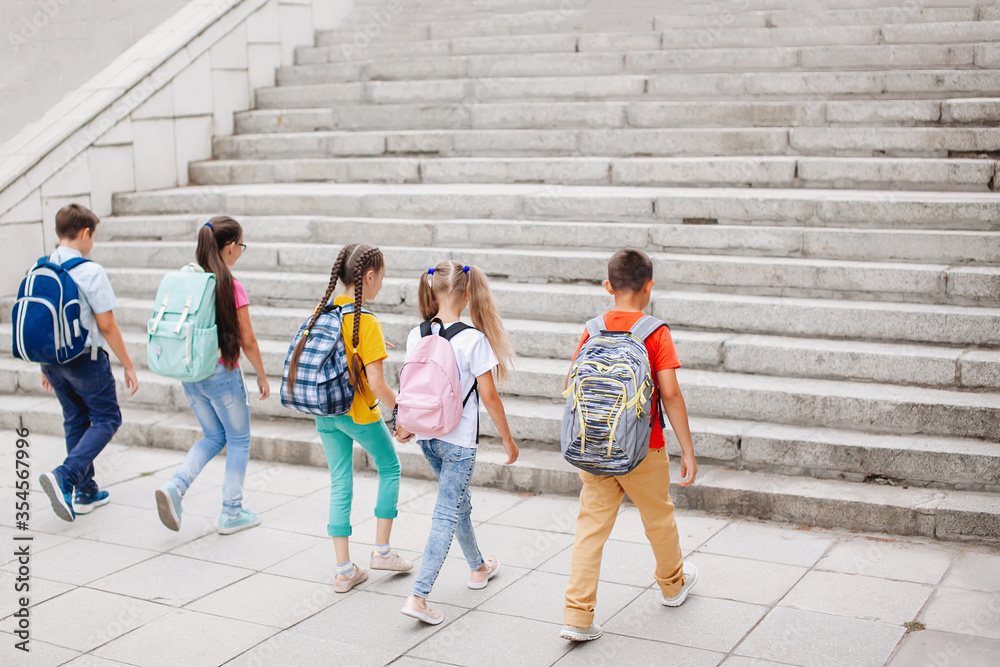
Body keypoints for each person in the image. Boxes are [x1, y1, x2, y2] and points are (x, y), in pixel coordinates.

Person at [560, 248, 699, 642]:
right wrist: (687, 449)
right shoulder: (655, 332)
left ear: (608, 286)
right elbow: (670, 393)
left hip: (594, 445)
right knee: (658, 518)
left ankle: (577, 615)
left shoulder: (593, 328)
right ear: (649, 286)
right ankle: (673, 585)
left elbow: (571, 383)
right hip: (645, 448)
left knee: (590, 529)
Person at [285, 243, 412, 594]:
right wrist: (403, 413)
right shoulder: (365, 322)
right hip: (357, 412)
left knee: (340, 480)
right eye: (381, 278)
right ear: (369, 277)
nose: (381, 285)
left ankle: (344, 570)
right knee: (389, 467)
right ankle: (382, 551)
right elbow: (377, 384)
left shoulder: (321, 310)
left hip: (323, 411)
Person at [400, 260, 519, 625]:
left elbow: (408, 385)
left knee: (458, 502)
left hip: (426, 436)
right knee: (446, 513)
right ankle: (419, 596)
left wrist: (402, 423)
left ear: (433, 291)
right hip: (459, 442)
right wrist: (508, 441)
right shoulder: (473, 340)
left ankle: (478, 566)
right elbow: (490, 398)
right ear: (467, 295)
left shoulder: (415, 334)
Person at [155, 216, 269, 535]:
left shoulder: (189, 279)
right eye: (241, 246)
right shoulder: (230, 285)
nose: (241, 252)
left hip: (191, 372)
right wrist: (261, 375)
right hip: (222, 373)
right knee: (239, 438)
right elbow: (247, 338)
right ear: (230, 247)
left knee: (213, 435)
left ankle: (176, 486)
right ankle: (232, 511)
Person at [37, 204, 139, 521]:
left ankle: (85, 492)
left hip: (52, 362)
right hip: (85, 360)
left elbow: (39, 321)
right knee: (107, 419)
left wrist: (44, 365)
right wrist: (128, 364)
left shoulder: (40, 267)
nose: (91, 243)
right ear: (84, 233)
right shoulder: (90, 271)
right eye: (92, 237)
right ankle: (66, 476)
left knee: (75, 420)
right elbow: (107, 325)